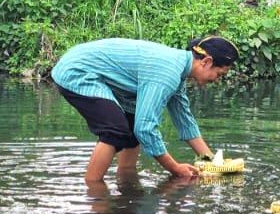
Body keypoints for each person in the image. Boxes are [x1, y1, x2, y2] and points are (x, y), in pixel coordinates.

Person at [51, 36, 237, 188]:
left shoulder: (178, 72)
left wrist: (211, 161)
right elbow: (146, 128)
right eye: (219, 74)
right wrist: (175, 169)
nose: (217, 80)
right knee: (115, 130)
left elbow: (185, 120)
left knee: (131, 129)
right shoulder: (168, 72)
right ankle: (94, 192)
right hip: (77, 71)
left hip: (89, 70)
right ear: (207, 61)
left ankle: (126, 185)